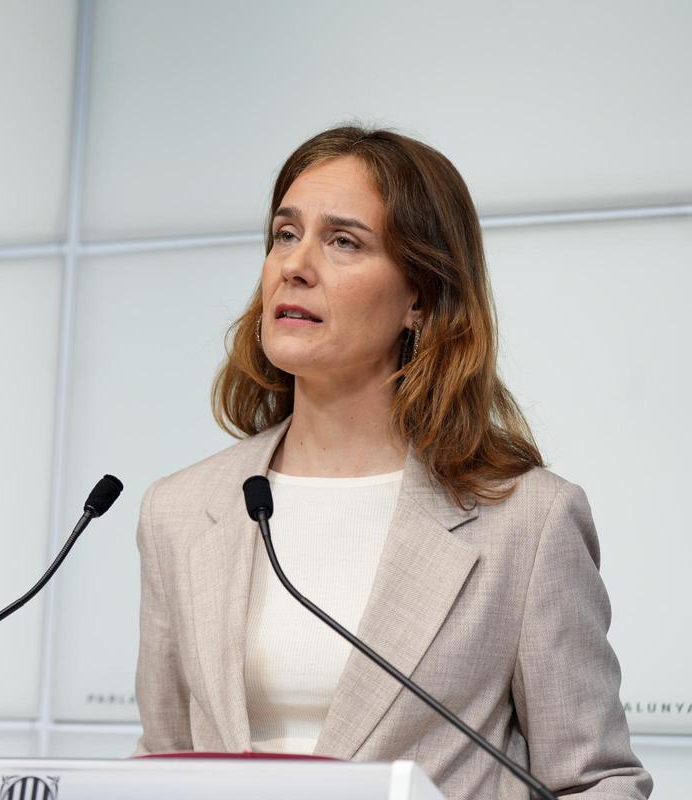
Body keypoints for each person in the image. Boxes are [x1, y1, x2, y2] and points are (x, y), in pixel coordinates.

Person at [132, 125, 651, 799]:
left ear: (421, 299)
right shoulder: (178, 511)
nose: (295, 265)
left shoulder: (528, 521)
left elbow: (595, 782)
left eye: (344, 242)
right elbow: (162, 760)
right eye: (285, 234)